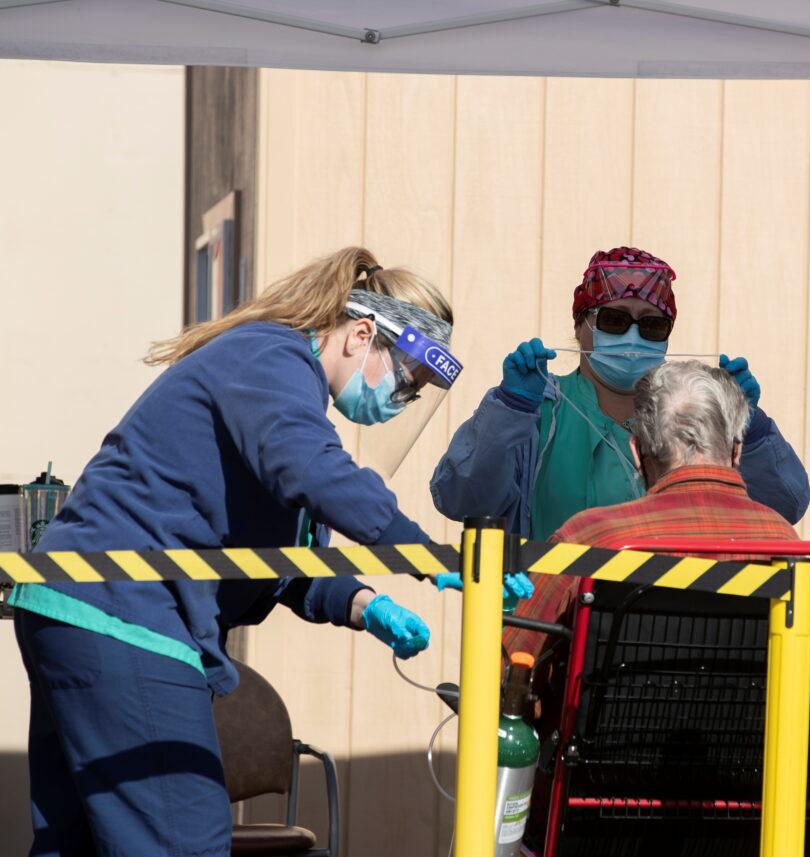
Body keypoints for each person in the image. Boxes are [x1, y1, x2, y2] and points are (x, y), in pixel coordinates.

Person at [9, 247, 527, 856]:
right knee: (184, 843)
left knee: (75, 844)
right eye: (406, 382)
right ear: (362, 334)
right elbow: (316, 472)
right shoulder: (270, 359)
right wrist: (431, 553)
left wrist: (366, 605)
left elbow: (286, 561)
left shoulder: (277, 395)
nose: (400, 401)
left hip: (75, 608)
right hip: (123, 613)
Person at [430, 246, 810, 542]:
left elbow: (785, 506)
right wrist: (510, 409)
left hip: (662, 629)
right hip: (556, 630)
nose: (633, 337)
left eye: (652, 325)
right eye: (614, 320)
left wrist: (750, 427)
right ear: (580, 326)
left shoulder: (693, 415)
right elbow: (461, 499)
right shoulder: (538, 412)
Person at [504, 358, 803, 660]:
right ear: (737, 450)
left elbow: (509, 663)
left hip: (610, 708)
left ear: (636, 451)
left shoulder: (590, 538)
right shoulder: (784, 544)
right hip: (752, 707)